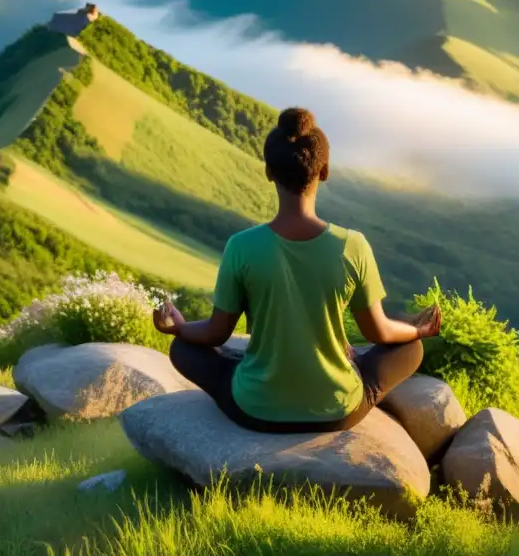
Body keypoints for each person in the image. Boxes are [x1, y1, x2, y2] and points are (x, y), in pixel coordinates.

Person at [153, 107, 442, 434]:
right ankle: (343, 366)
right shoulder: (353, 245)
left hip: (255, 410)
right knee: (410, 349)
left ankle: (258, 373)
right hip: (336, 410)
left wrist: (177, 327)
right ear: (325, 171)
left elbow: (215, 334)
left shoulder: (241, 246)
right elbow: (381, 333)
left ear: (268, 172)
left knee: (184, 348)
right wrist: (418, 331)